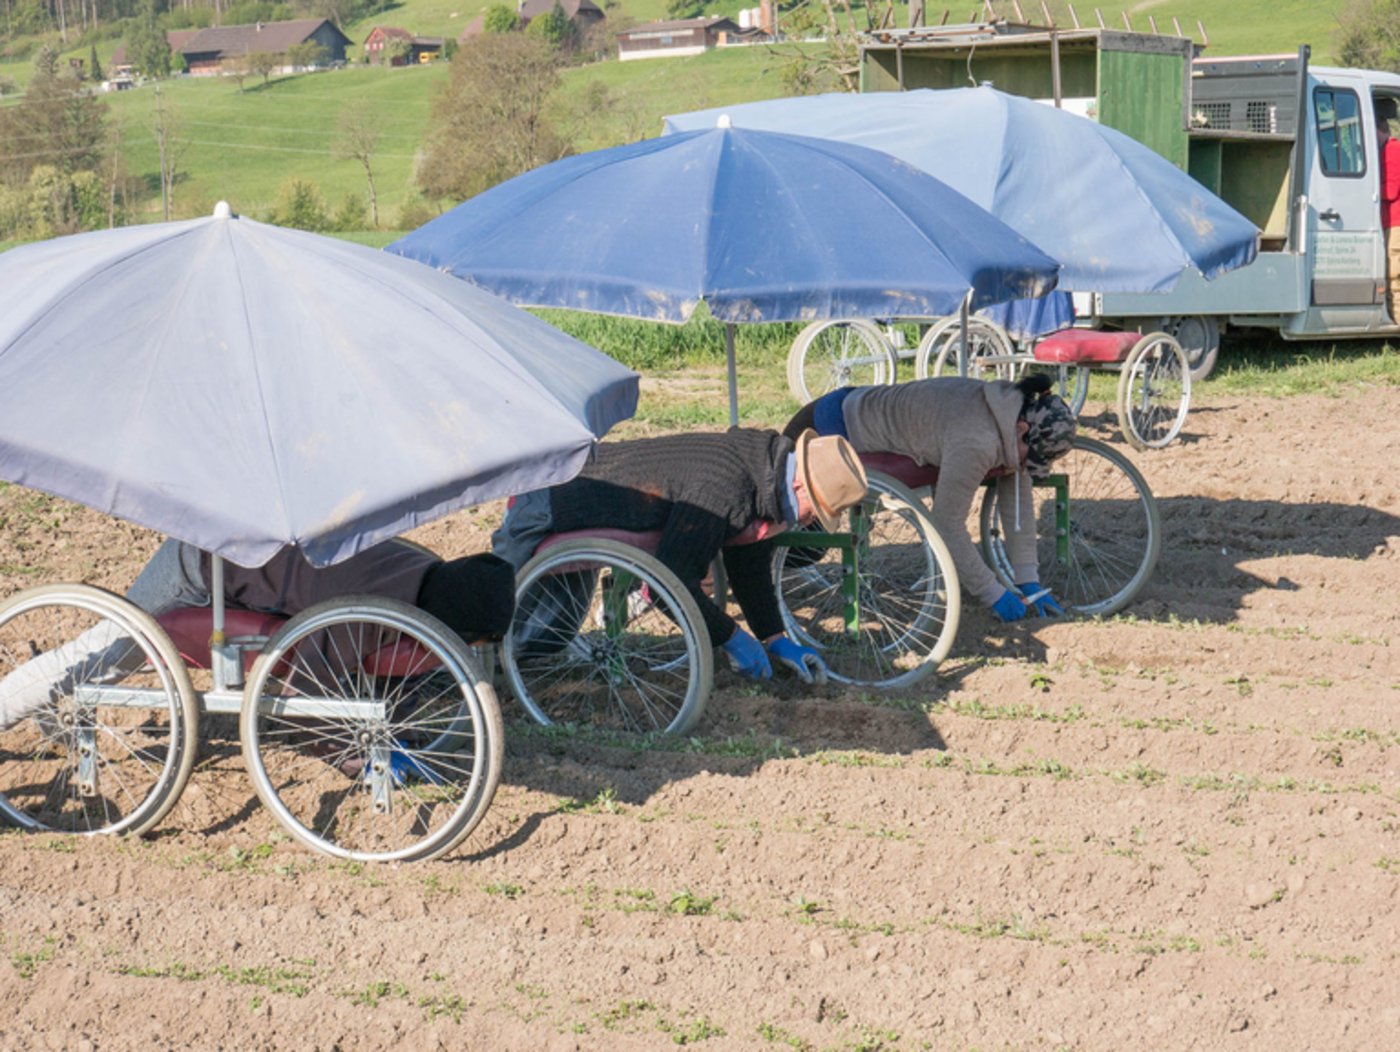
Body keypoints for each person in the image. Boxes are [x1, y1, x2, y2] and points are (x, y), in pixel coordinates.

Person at [0, 537, 515, 732]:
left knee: (104, 653)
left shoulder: (422, 567)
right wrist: (351, 752)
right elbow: (303, 684)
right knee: (105, 653)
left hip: (247, 558)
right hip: (200, 565)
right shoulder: (375, 610)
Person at [492, 427, 869, 684]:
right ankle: (448, 672)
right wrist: (732, 637)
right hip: (548, 504)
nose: (808, 522)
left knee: (545, 638)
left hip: (576, 496)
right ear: (800, 485)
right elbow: (669, 586)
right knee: (502, 631)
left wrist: (774, 638)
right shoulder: (726, 486)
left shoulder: (763, 470)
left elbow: (749, 565)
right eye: (814, 512)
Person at [784, 373, 1077, 622]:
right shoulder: (977, 440)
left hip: (857, 404)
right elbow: (947, 525)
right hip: (829, 424)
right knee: (803, 542)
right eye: (1032, 457)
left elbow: (1019, 502)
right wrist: (993, 593)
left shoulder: (1011, 409)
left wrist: (1029, 580)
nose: (1028, 465)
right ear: (1022, 430)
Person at [1377, 97, 1400, 324]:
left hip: (1396, 225)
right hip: (1390, 223)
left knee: (1395, 278)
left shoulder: (1393, 150)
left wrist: (1367, 187)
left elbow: (1391, 190)